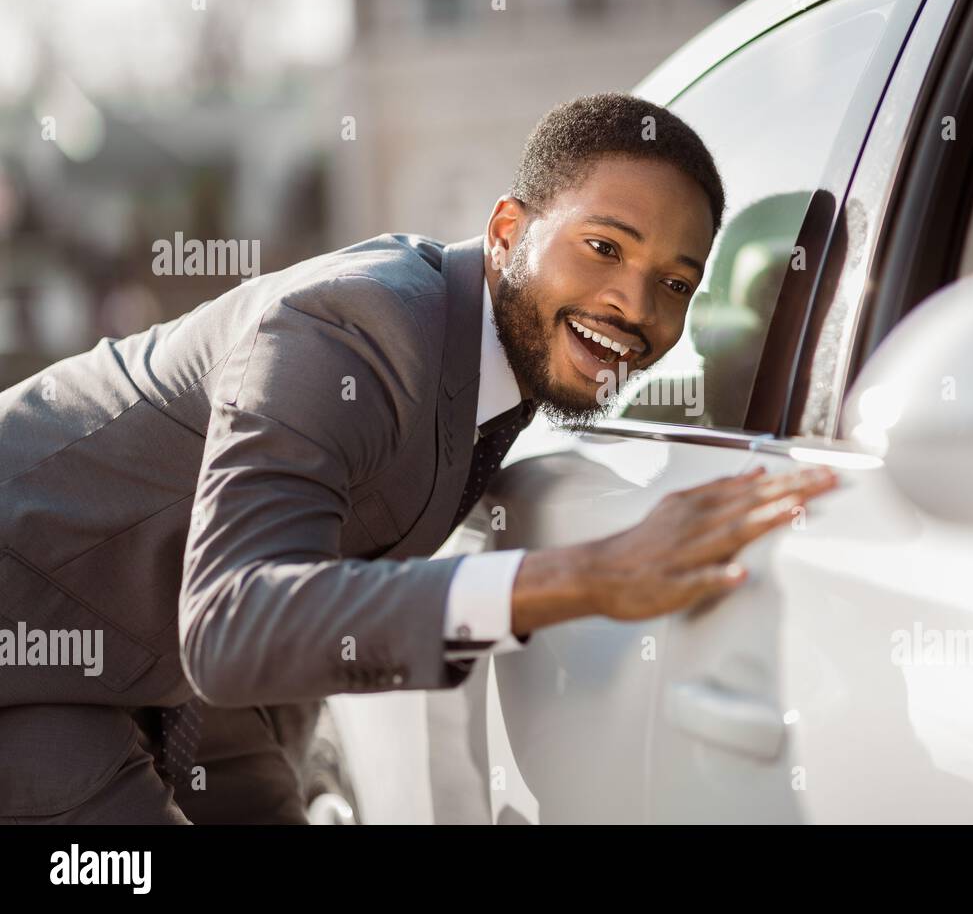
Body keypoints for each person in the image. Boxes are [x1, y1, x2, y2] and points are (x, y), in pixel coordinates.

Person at [0, 93, 837, 824]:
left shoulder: (501, 352)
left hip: (169, 670)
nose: (634, 305)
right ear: (508, 231)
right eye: (605, 248)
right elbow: (232, 622)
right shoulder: (351, 328)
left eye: (678, 284)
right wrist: (589, 575)